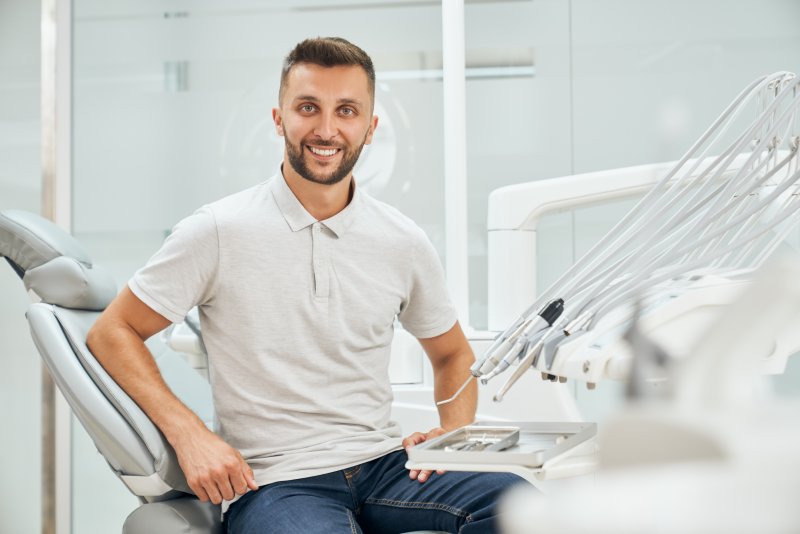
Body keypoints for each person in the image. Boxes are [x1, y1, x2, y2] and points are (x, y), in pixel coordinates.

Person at [87, 36, 524, 534]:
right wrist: (191, 434)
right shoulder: (218, 230)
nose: (327, 128)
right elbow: (112, 331)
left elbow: (453, 356)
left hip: (386, 467)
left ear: (370, 127)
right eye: (308, 107)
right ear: (279, 119)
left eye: (347, 110)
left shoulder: (402, 239)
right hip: (277, 483)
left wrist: (450, 437)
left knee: (524, 511)